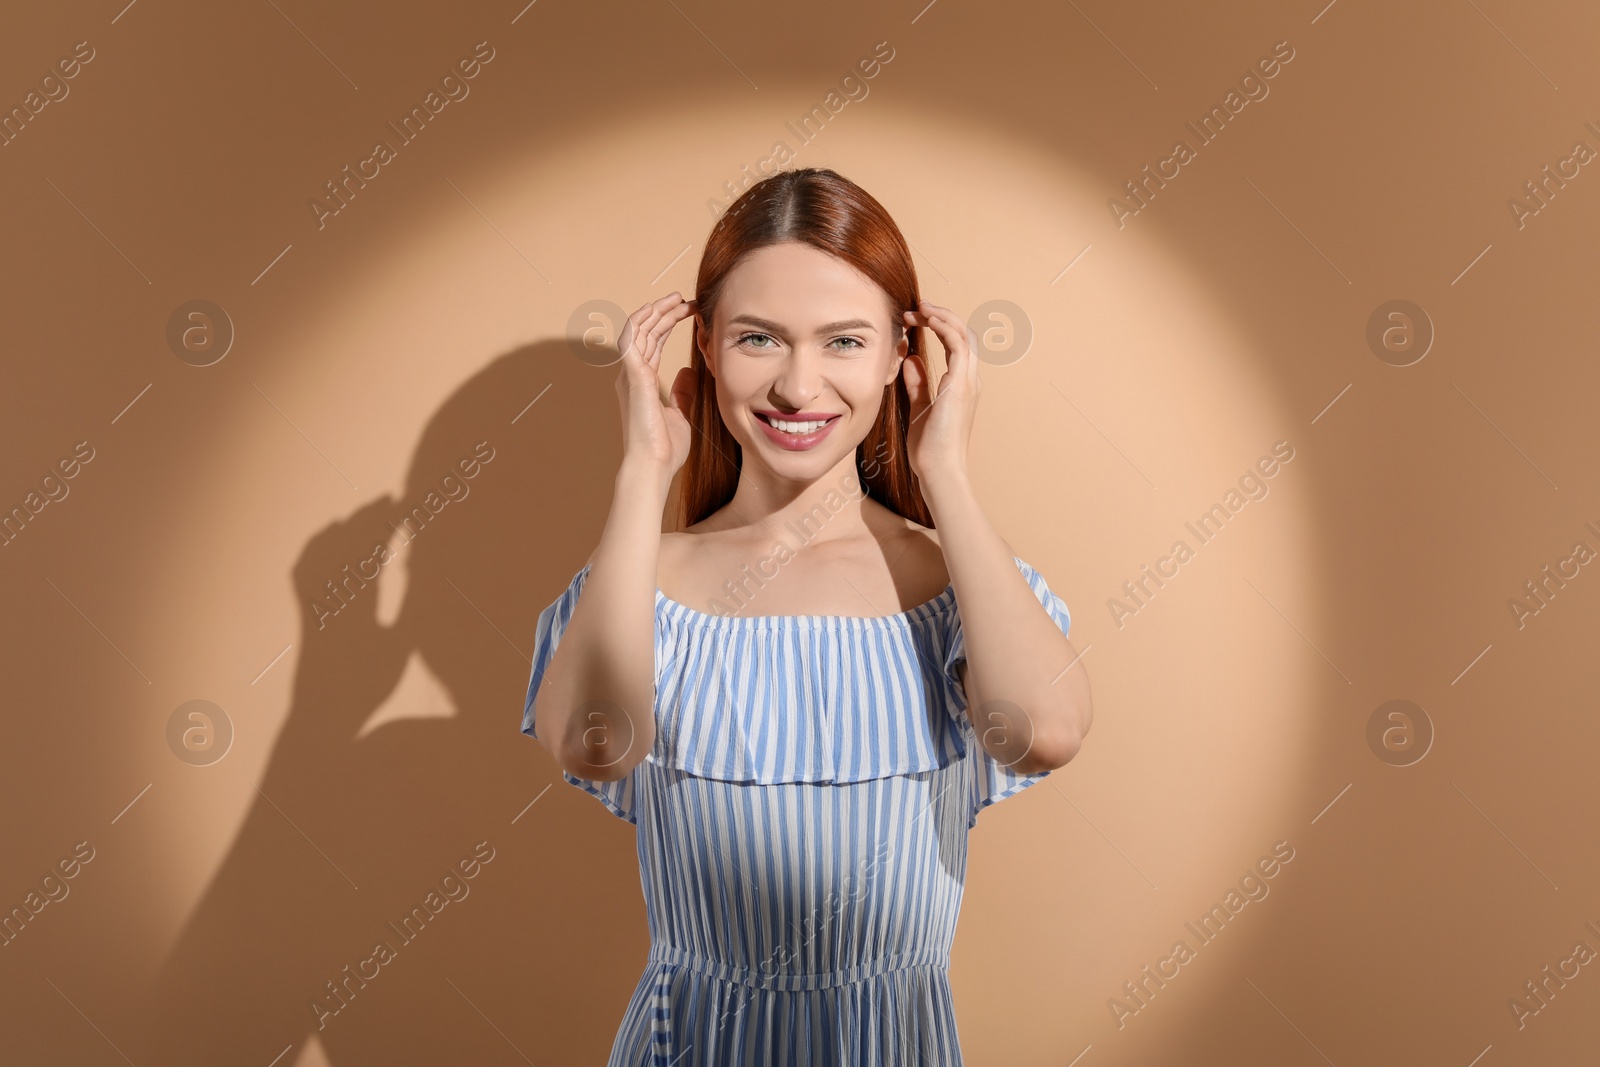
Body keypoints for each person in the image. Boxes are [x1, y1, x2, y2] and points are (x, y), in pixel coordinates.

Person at [521, 167, 1093, 1065]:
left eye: (843, 341)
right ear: (703, 349)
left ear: (901, 357)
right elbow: (596, 743)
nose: (798, 385)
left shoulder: (956, 585)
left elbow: (1046, 731)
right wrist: (643, 472)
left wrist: (945, 472)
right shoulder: (643, 581)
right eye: (758, 338)